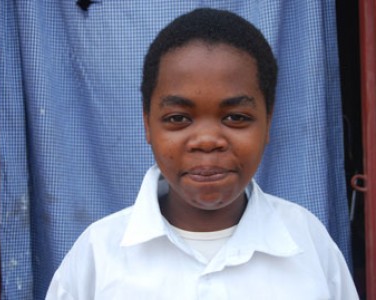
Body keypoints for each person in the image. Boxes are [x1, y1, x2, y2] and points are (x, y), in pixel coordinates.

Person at [46, 8, 359, 299]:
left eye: (236, 117)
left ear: (267, 124)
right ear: (147, 125)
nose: (207, 141)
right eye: (178, 118)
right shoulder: (97, 256)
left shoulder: (308, 244)